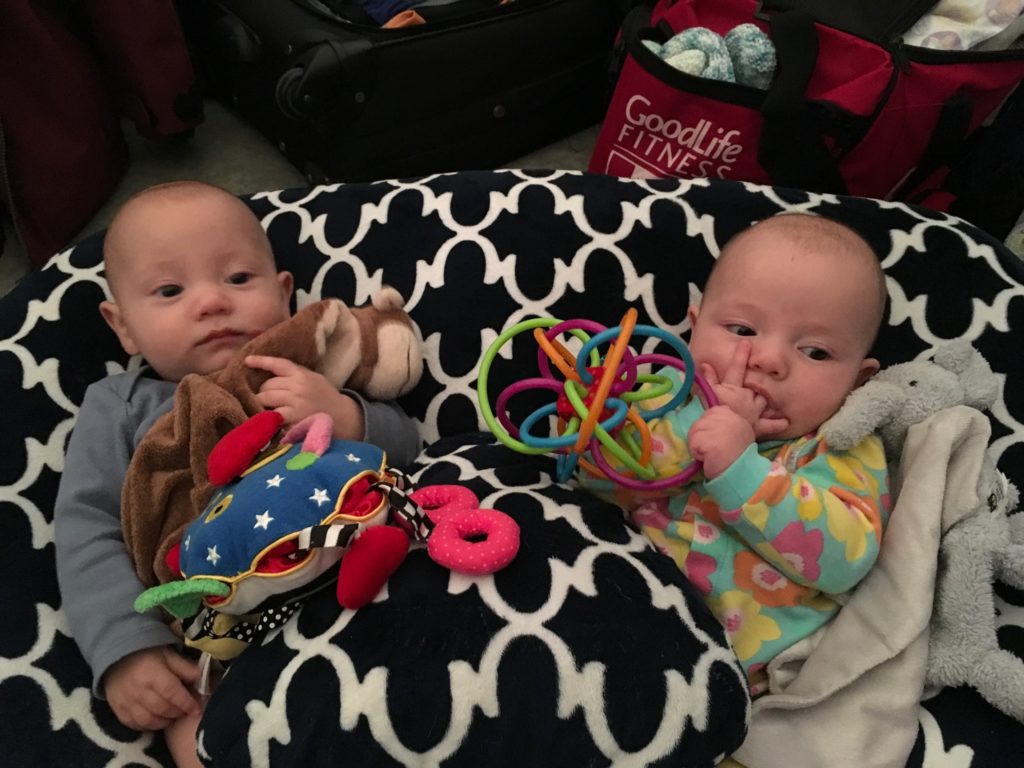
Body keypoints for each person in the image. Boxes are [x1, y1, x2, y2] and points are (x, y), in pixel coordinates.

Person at [53, 181, 420, 767]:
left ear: (284, 294)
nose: (212, 303)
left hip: (353, 579)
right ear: (122, 327)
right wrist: (125, 647)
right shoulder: (122, 404)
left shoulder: (298, 367)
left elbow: (408, 446)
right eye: (170, 290)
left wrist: (345, 413)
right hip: (217, 629)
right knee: (190, 724)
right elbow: (86, 526)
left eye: (238, 279)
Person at [583, 213, 890, 696]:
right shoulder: (664, 399)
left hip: (720, 670)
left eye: (815, 352)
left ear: (859, 380)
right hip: (611, 605)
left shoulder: (839, 443)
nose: (768, 360)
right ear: (693, 327)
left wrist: (739, 467)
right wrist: (695, 428)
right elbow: (596, 480)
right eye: (743, 329)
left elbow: (845, 560)